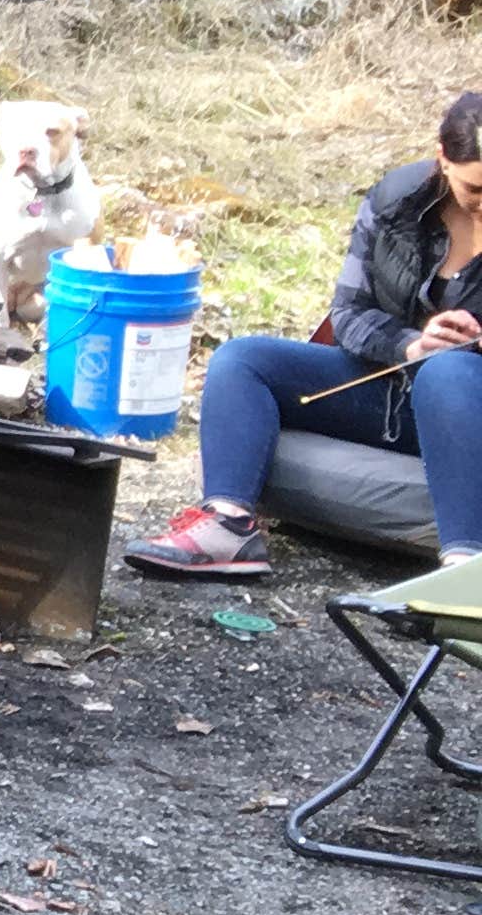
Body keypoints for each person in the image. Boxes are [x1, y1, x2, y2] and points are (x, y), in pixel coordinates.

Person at [127, 94, 482, 577]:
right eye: (475, 190)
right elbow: (350, 313)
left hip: (466, 409)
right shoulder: (394, 202)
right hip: (390, 392)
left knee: (448, 372)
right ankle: (227, 526)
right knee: (242, 359)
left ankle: (464, 569)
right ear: (442, 157)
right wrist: (411, 344)